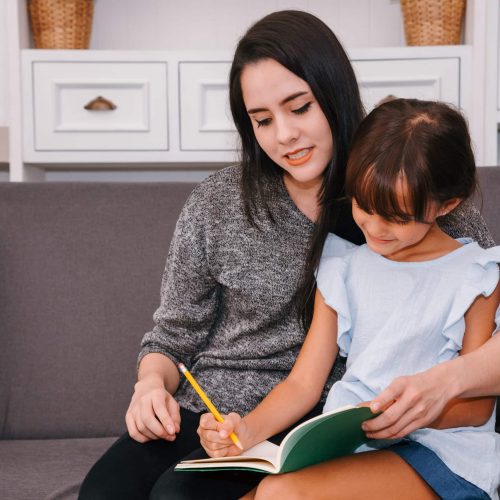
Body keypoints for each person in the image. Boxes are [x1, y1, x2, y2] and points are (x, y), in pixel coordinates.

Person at [78, 11, 495, 500]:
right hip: (216, 413)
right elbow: (173, 336)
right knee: (104, 493)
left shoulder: (410, 186)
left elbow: (479, 333)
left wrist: (444, 386)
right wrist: (150, 385)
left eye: (300, 108)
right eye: (262, 120)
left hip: (318, 427)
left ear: (334, 95)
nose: (284, 136)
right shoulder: (217, 205)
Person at [199, 99, 500, 500]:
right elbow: (304, 384)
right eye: (363, 205)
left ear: (447, 204)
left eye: (395, 216)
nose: (374, 227)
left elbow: (478, 408)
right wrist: (246, 430)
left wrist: (405, 416)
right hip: (353, 448)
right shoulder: (344, 268)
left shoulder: (476, 275)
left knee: (280, 494)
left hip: (442, 453)